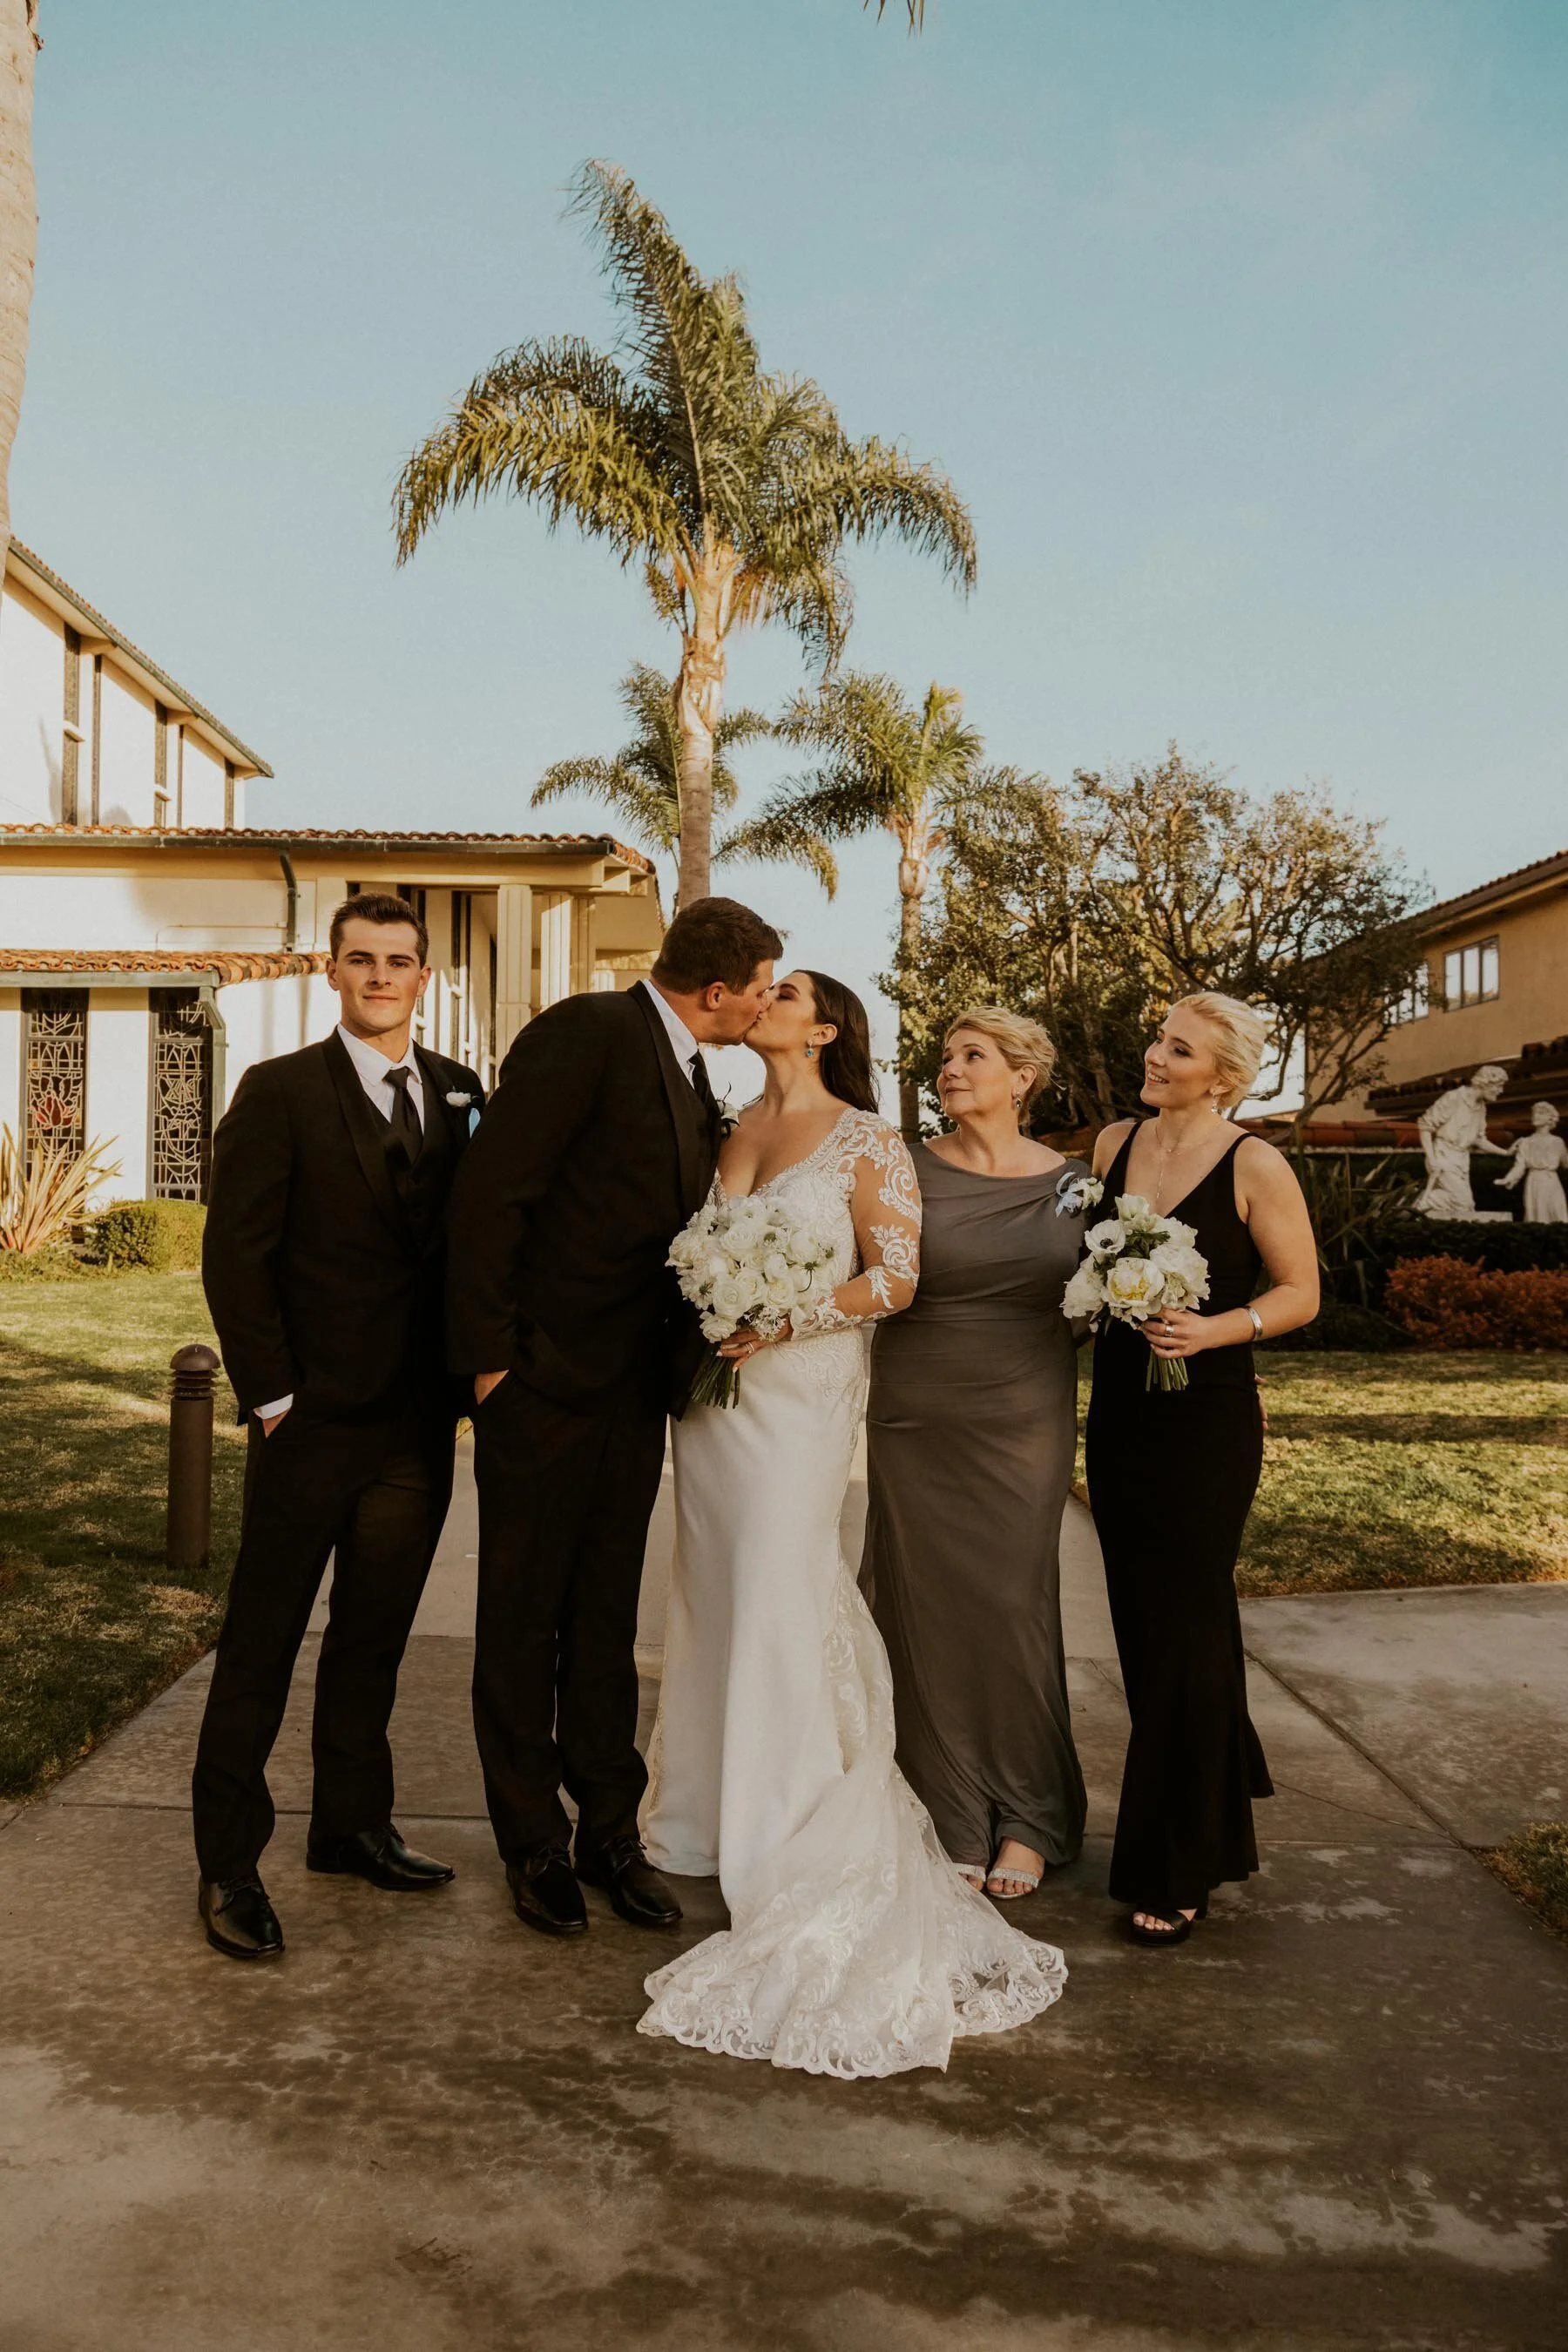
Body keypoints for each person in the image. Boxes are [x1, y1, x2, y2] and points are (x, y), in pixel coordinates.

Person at [640, 971, 1067, 2076]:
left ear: (824, 1029)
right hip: (716, 1406)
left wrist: (781, 1315)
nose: (763, 998)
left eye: (783, 991)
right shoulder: (732, 1125)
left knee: (782, 1593)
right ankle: (701, 1812)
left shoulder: (868, 1140)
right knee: (712, 1591)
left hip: (798, 1393)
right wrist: (720, 1298)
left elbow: (899, 1279)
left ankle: (782, 1824)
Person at [445, 898, 781, 1941]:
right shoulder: (586, 1032)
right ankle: (532, 1843)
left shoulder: (691, 1069)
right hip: (539, 1387)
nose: (766, 1005)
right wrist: (493, 1366)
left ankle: (607, 1833)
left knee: (602, 1621)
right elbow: (492, 1197)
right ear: (717, 992)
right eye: (762, 989)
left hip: (632, 1395)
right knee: (523, 1617)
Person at [193, 893, 484, 1960]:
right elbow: (236, 1257)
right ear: (334, 973)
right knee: (262, 1643)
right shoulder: (278, 1092)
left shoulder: (459, 1090)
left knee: (374, 1638)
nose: (380, 977)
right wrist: (273, 1398)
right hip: (309, 1424)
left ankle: (351, 1827)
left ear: (423, 977)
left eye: (398, 961)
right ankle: (228, 1865)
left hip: (417, 1427)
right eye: (361, 960)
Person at [1085, 993, 1318, 1949]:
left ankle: (1174, 1864)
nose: (1155, 1055)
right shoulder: (1111, 1146)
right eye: (1158, 1039)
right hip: (1120, 1416)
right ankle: (1215, 1790)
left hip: (1207, 1419)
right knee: (1151, 1632)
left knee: (1183, 1627)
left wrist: (1218, 1329)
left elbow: (1303, 1292)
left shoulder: (1254, 1163)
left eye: (1178, 1049)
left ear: (1222, 1076)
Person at [860, 1007, 1089, 1902]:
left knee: (1012, 1602)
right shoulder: (902, 1166)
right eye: (947, 1056)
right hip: (917, 1411)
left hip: (1025, 1412)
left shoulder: (1075, 1184)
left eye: (973, 1055)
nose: (950, 1069)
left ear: (1022, 1076)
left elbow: (1102, 1295)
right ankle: (944, 1805)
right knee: (920, 1602)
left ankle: (1029, 1810)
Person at [1415, 1064, 1511, 1219]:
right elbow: (1425, 1126)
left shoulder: (1481, 1107)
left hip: (1462, 1161)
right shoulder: (1454, 1098)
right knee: (1462, 1203)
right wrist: (1431, 1159)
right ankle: (1416, 1202)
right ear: (1486, 1083)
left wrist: (1506, 1152)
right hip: (1443, 1155)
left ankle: (1425, 1207)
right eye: (1499, 1086)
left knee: (1467, 1206)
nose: (1501, 1091)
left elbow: (1479, 1140)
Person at [1497, 1102, 1568, 1224]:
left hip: (1551, 1181)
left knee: (1556, 1211)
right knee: (1536, 1214)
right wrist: (1509, 1178)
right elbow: (1519, 1165)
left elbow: (1566, 1163)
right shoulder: (1525, 1142)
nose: (1535, 1116)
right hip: (1534, 1181)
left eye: (1541, 1113)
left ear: (1550, 1119)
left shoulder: (1558, 1142)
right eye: (1534, 1113)